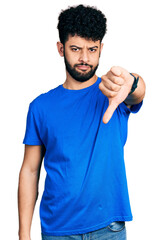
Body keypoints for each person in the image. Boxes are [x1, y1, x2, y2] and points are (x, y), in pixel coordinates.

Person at [18, 4, 146, 240]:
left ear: (101, 49)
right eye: (76, 49)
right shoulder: (40, 107)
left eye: (92, 49)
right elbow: (30, 169)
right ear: (61, 48)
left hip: (109, 229)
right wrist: (23, 233)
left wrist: (133, 83)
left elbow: (136, 90)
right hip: (58, 231)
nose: (85, 58)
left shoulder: (113, 92)